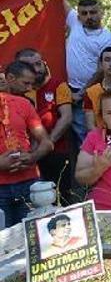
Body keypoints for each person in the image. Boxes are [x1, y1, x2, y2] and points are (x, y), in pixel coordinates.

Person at [15, 48, 73, 203]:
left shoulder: (58, 85)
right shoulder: (15, 91)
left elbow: (66, 118)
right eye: (31, 65)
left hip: (56, 152)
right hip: (24, 157)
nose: (38, 68)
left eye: (39, 63)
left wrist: (47, 144)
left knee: (60, 198)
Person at [0, 61, 53, 227]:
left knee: (35, 239)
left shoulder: (23, 104)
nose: (29, 88)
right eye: (26, 83)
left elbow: (46, 142)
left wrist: (32, 157)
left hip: (29, 183)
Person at [65, 0, 111, 146]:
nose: (89, 16)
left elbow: (103, 69)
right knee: (70, 136)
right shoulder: (75, 23)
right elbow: (61, 0)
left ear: (101, 13)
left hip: (89, 91)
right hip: (67, 88)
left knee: (86, 132)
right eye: (84, 13)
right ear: (78, 16)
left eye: (93, 12)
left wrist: (82, 92)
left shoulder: (107, 38)